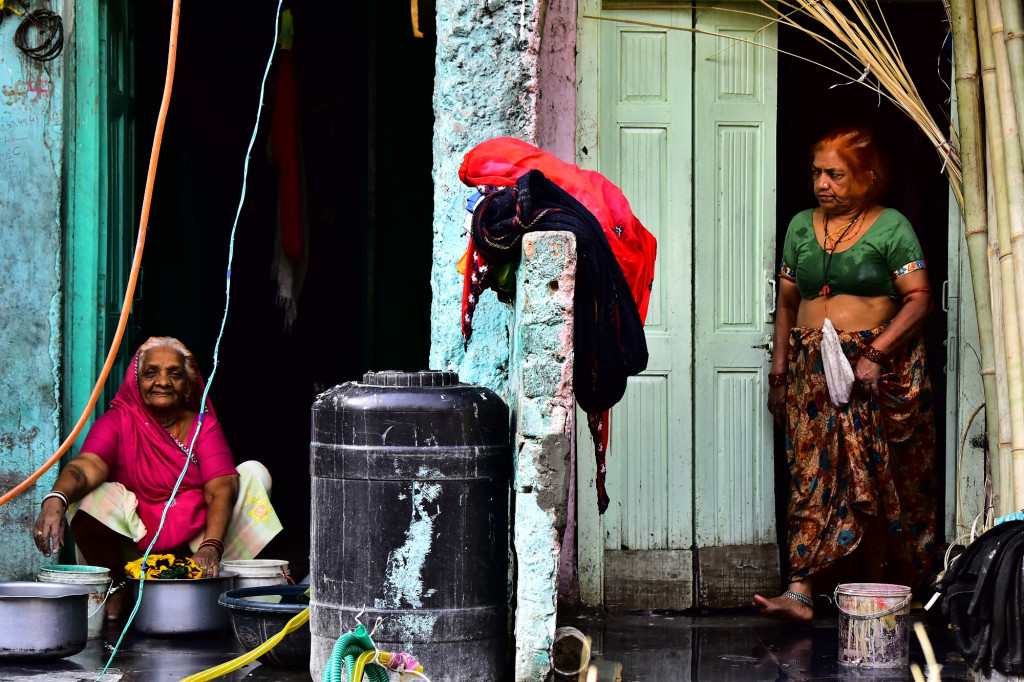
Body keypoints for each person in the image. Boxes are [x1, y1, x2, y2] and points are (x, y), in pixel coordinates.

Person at [753, 126, 936, 622]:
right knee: (810, 474)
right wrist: (779, 372)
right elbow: (788, 303)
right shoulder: (799, 227)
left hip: (874, 369)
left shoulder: (891, 226)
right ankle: (801, 592)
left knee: (876, 477)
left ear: (868, 178)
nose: (822, 183)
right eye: (817, 173)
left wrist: (875, 354)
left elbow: (919, 299)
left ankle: (883, 591)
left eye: (836, 174)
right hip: (814, 371)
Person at [32, 337, 283, 619]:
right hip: (137, 541)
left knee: (253, 473)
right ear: (135, 381)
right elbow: (87, 465)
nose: (163, 382)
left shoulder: (204, 426)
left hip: (200, 543)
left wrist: (211, 544)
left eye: (175, 374)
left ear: (188, 385)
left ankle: (217, 585)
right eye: (151, 373)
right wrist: (55, 498)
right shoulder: (117, 421)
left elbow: (221, 486)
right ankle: (117, 587)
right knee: (82, 495)